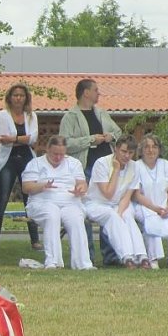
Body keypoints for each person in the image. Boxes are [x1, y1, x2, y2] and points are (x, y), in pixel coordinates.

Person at [60, 78, 122, 263]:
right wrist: (89, 140)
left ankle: (111, 256)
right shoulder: (70, 116)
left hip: (105, 168)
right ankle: (86, 254)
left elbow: (118, 132)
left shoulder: (102, 113)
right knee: (83, 210)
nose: (98, 93)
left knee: (108, 207)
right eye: (95, 90)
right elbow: (65, 143)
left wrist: (111, 136)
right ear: (85, 92)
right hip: (84, 168)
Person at [21, 135, 93, 270]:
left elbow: (82, 184)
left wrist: (80, 190)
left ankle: (83, 264)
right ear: (47, 149)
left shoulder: (74, 163)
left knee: (76, 219)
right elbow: (26, 187)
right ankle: (53, 262)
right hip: (42, 201)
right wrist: (42, 186)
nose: (58, 157)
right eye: (55, 154)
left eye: (62, 154)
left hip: (70, 202)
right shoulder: (35, 163)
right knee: (52, 214)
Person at [83, 135, 150, 268]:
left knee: (128, 217)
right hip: (96, 204)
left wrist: (120, 212)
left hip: (119, 204)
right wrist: (116, 170)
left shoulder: (135, 166)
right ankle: (127, 257)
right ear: (115, 149)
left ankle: (142, 256)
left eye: (130, 153)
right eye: (123, 151)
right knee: (113, 217)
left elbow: (128, 195)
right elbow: (108, 194)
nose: (127, 156)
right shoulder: (101, 163)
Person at [0, 83, 41, 252]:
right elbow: (4, 138)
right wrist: (21, 138)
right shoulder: (3, 115)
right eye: (15, 95)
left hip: (27, 158)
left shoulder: (31, 116)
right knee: (3, 198)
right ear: (10, 98)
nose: (18, 98)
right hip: (8, 160)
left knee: (30, 198)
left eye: (21, 95)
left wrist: (15, 138)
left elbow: (33, 138)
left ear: (26, 98)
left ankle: (35, 239)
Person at [132, 134, 168, 269]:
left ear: (159, 149)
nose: (151, 150)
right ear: (142, 150)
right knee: (151, 221)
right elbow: (137, 194)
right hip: (144, 204)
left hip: (166, 203)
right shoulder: (136, 166)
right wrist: (155, 209)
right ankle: (153, 259)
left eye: (154, 147)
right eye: (147, 147)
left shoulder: (166, 164)